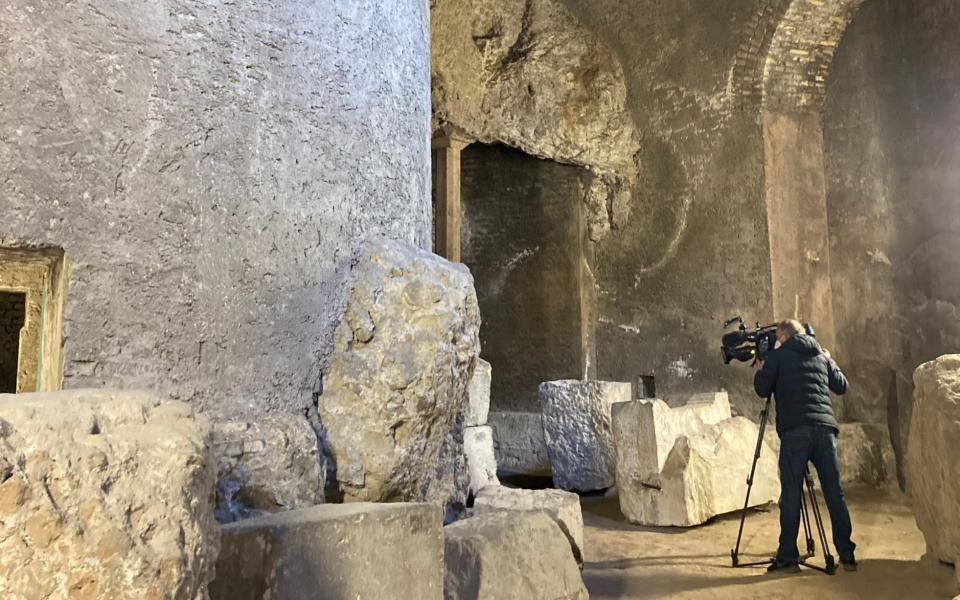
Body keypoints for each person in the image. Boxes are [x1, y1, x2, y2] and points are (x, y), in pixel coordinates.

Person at [754, 318, 856, 573]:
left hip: (795, 432)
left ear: (784, 337)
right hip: (824, 431)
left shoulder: (778, 356)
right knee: (835, 493)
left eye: (777, 337)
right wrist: (830, 360)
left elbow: (762, 388)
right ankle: (847, 554)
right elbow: (842, 386)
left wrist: (760, 368)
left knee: (791, 495)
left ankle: (788, 555)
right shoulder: (820, 354)